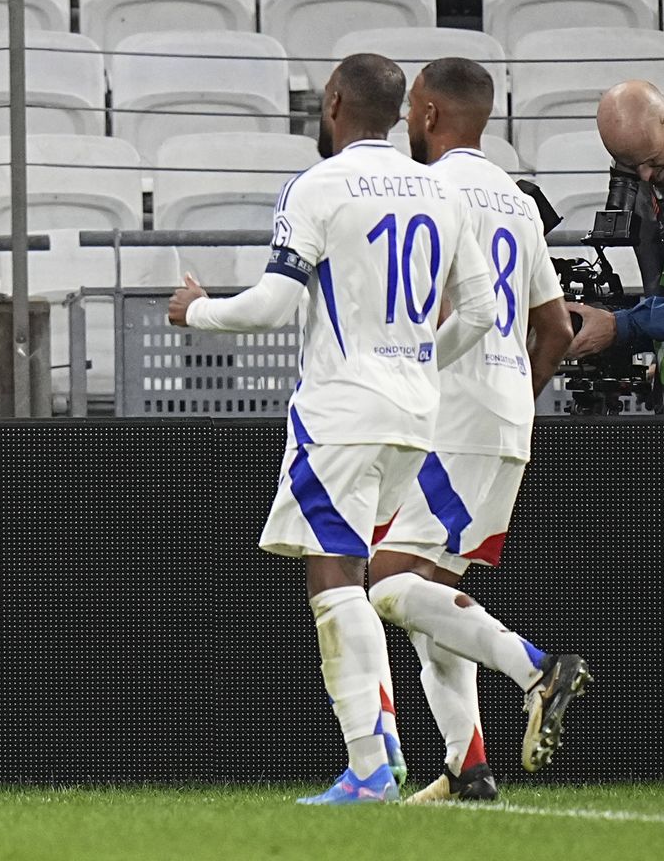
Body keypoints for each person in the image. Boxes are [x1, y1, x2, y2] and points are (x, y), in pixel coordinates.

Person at [168, 53, 496, 804]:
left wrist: (198, 311)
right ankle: (379, 752)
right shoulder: (440, 191)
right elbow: (479, 311)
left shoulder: (317, 186)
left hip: (343, 408)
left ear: (335, 100)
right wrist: (417, 360)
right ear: (397, 111)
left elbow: (271, 305)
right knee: (358, 575)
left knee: (333, 578)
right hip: (415, 413)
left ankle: (370, 765)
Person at [369, 58, 587, 804]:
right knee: (435, 597)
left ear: (428, 115)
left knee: (387, 582)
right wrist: (516, 396)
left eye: (410, 116)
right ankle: (470, 769)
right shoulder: (520, 201)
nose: (405, 126)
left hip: (450, 411)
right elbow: (555, 328)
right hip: (507, 417)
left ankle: (536, 667)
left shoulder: (431, 191)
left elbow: (432, 308)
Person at [569, 80, 664, 412]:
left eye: (651, 162)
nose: (645, 176)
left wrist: (622, 325)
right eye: (631, 166)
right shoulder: (642, 182)